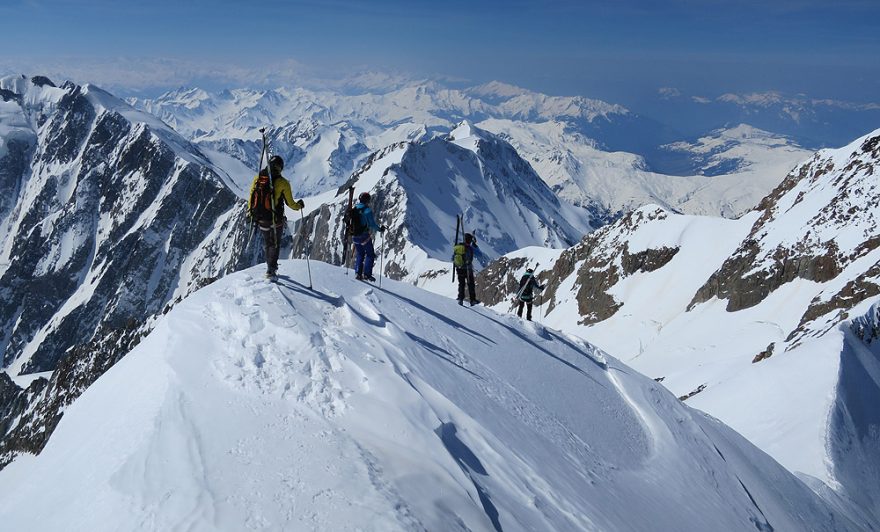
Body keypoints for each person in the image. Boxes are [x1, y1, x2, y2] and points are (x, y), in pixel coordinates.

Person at [248, 155, 304, 279]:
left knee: (268, 243)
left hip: (261, 218)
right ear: (280, 167)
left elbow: (251, 197)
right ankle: (271, 270)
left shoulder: (258, 179)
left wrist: (250, 213)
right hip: (275, 219)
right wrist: (299, 206)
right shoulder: (283, 182)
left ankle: (270, 266)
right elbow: (291, 203)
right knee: (275, 244)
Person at [351, 192, 385, 281]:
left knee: (360, 254)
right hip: (364, 236)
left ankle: (358, 273)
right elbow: (372, 224)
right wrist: (380, 229)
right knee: (370, 254)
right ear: (367, 200)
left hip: (354, 236)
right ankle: (367, 274)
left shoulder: (354, 209)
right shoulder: (367, 210)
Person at [453, 232, 481, 305]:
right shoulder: (470, 248)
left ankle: (460, 299)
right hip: (467, 269)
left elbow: (454, 256)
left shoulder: (458, 247)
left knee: (461, 284)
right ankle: (472, 300)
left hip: (459, 268)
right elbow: (475, 256)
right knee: (470, 284)